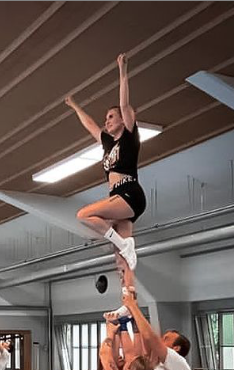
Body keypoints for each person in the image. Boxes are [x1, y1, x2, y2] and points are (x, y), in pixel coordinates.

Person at [66, 53, 146, 295]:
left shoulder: (130, 137)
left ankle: (122, 243)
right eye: (107, 118)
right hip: (118, 198)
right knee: (122, 259)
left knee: (83, 215)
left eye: (111, 117)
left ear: (123, 120)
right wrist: (74, 105)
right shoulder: (108, 144)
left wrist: (122, 71)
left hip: (129, 193)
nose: (107, 121)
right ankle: (128, 301)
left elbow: (124, 104)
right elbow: (90, 125)